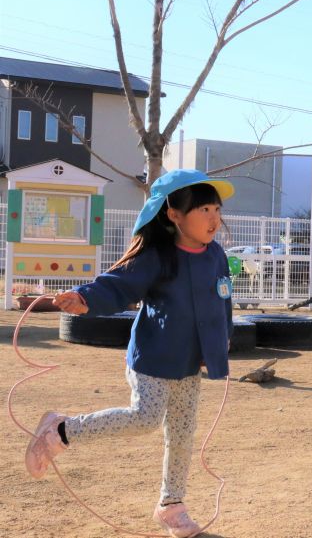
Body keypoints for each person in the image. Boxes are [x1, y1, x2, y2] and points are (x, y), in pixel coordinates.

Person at [26, 170, 235, 538]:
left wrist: (218, 344)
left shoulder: (215, 255)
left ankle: (172, 506)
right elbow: (118, 286)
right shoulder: (157, 257)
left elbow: (222, 300)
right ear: (174, 214)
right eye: (204, 209)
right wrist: (85, 298)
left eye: (217, 209)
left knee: (183, 434)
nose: (215, 219)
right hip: (153, 360)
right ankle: (59, 430)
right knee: (145, 418)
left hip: (188, 364)